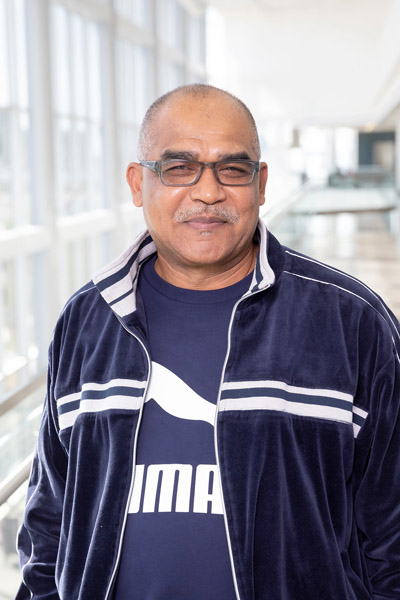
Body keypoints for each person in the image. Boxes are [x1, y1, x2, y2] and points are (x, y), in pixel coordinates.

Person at [16, 83, 400, 600]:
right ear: (137, 182)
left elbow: (390, 534)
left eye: (233, 169)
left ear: (261, 184)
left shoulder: (350, 321)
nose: (208, 191)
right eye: (179, 168)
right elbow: (50, 522)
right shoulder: (88, 321)